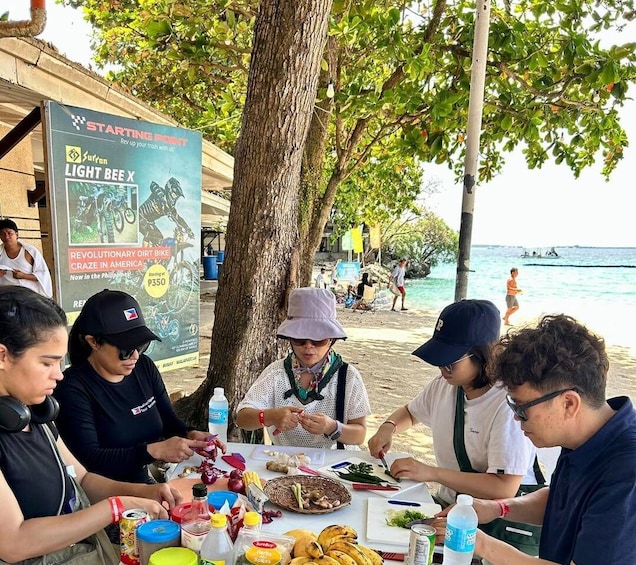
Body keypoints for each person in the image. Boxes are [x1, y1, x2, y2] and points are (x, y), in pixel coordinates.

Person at [0, 286, 180, 564]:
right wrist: (115, 507)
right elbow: (14, 543)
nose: (59, 375)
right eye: (47, 363)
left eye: (60, 362)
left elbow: (83, 479)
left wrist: (146, 493)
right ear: (2, 356)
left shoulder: (36, 415)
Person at [459, 315, 636, 564]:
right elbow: (560, 500)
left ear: (568, 403)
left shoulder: (626, 474)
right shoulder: (586, 435)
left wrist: (482, 544)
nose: (516, 419)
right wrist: (497, 508)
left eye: (521, 408)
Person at [368, 299, 537, 507]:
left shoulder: (507, 404)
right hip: (451, 505)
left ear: (484, 355)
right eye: (438, 360)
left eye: (449, 362)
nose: (442, 369)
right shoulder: (445, 384)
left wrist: (432, 473)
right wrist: (388, 427)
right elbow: (411, 413)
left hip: (497, 520)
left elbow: (504, 487)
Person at [54, 289, 223, 484]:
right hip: (109, 493)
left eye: (140, 346)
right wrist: (153, 451)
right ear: (93, 341)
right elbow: (88, 461)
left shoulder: (144, 367)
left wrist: (190, 434)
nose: (135, 356)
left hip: (149, 481)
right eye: (125, 349)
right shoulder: (72, 389)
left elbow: (169, 422)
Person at [235, 287, 371, 448]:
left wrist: (332, 427)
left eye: (318, 340)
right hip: (284, 461)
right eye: (300, 339)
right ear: (290, 338)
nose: (308, 347)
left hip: (333, 465)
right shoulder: (276, 373)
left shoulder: (347, 377)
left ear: (331, 340)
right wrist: (270, 416)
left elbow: (360, 434)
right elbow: (242, 419)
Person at [0, 218, 53, 298]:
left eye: (9, 233)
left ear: (17, 234)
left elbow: (43, 275)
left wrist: (23, 276)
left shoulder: (30, 252)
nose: (6, 236)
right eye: (3, 234)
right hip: (5, 297)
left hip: (28, 297)